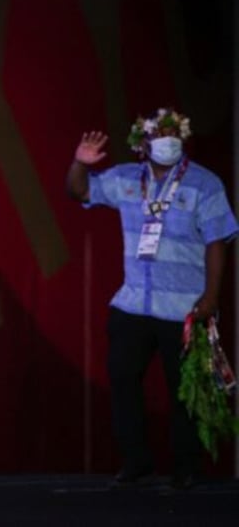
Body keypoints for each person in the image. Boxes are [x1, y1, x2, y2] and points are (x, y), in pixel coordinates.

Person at [66, 109, 238, 489]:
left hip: (184, 308)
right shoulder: (127, 179)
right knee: (123, 379)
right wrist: (80, 163)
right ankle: (136, 460)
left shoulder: (204, 184)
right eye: (160, 134)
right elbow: (79, 190)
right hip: (133, 305)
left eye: (173, 133)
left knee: (185, 391)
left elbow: (217, 242)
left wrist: (210, 296)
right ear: (143, 144)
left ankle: (186, 467)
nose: (167, 140)